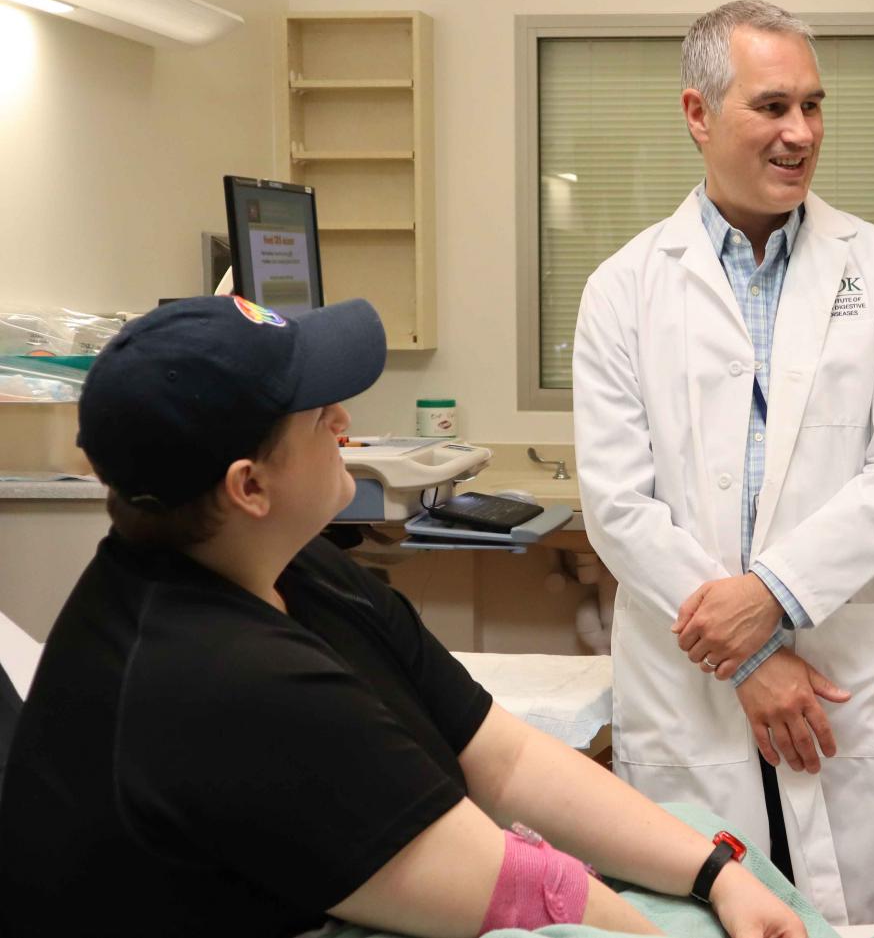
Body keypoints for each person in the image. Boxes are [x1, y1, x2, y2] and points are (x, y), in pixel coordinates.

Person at [0, 295, 805, 938]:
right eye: (319, 415)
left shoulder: (294, 566)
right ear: (248, 487)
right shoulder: (214, 674)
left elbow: (504, 757)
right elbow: (526, 889)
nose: (346, 423)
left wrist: (717, 872)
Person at [572, 0, 874, 926]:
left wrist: (773, 599)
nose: (801, 133)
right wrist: (749, 659)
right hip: (695, 689)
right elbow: (619, 505)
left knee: (867, 911)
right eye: (773, 106)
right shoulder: (624, 287)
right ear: (698, 114)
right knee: (704, 904)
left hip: (841, 681)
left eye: (815, 107)